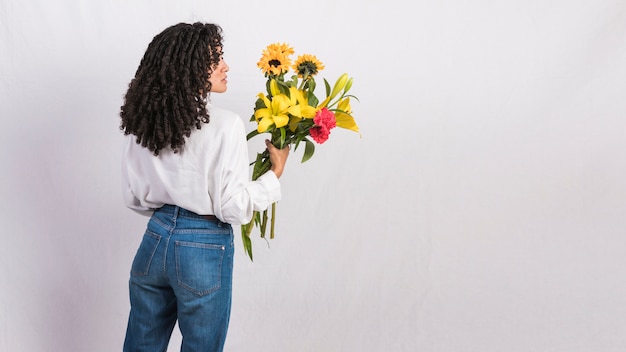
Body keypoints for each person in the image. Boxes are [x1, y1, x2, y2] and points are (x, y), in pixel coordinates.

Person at [119, 22, 289, 351]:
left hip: (154, 240)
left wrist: (170, 214)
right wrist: (274, 175)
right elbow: (232, 208)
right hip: (204, 245)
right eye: (214, 59)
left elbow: (133, 197)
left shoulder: (143, 120)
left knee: (141, 345)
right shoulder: (226, 125)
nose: (225, 66)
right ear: (188, 67)